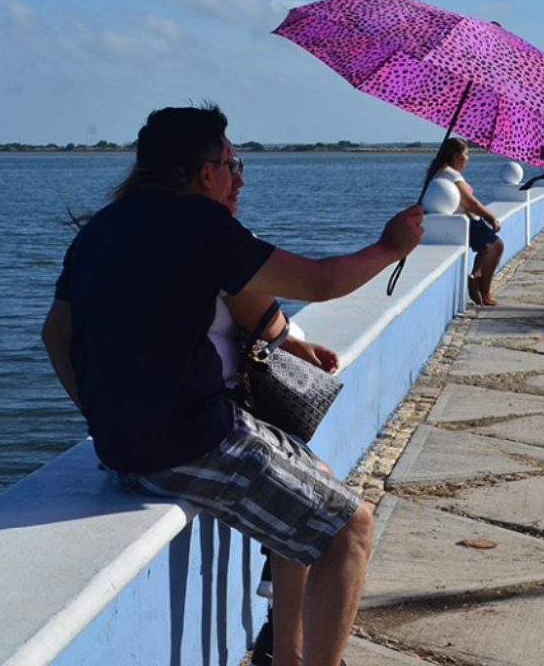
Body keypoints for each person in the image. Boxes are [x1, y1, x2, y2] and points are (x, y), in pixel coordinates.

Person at [41, 103, 423, 666]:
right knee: (351, 527)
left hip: (124, 447)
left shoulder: (103, 226)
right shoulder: (197, 224)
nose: (237, 173)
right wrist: (390, 247)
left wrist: (104, 415)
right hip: (188, 443)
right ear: (205, 173)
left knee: (310, 476)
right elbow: (320, 280)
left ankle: (287, 656)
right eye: (232, 161)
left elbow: (55, 336)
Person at [425, 137, 504, 306]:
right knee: (496, 246)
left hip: (457, 222)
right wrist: (491, 217)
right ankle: (484, 290)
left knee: (487, 248)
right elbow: (471, 203)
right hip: (468, 222)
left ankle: (476, 277)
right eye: (466, 154)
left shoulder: (438, 172)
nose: (468, 158)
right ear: (455, 155)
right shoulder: (451, 175)